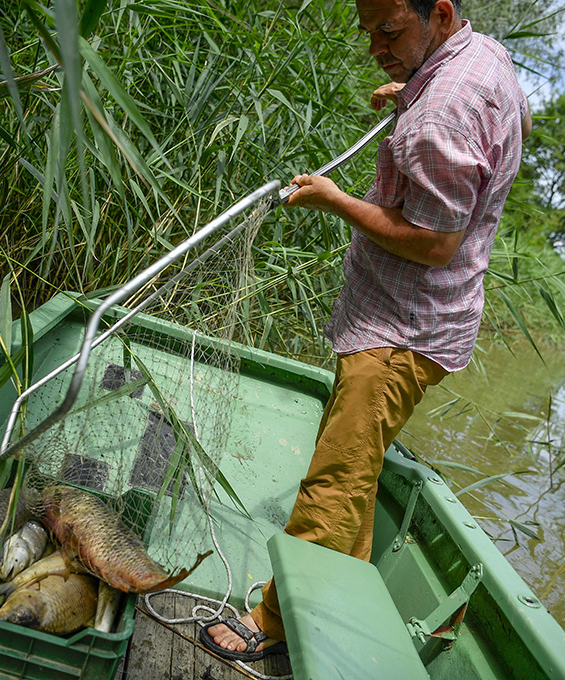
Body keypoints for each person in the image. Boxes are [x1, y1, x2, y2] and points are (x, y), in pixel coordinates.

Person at [200, 0, 531, 662]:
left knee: (335, 477)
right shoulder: (474, 56)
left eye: (389, 32)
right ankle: (334, 590)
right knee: (351, 464)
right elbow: (467, 109)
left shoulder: (447, 110)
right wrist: (408, 90)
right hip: (413, 318)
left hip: (403, 331)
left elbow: (436, 245)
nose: (375, 45)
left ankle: (275, 619)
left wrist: (337, 201)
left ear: (437, 13)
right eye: (369, 31)